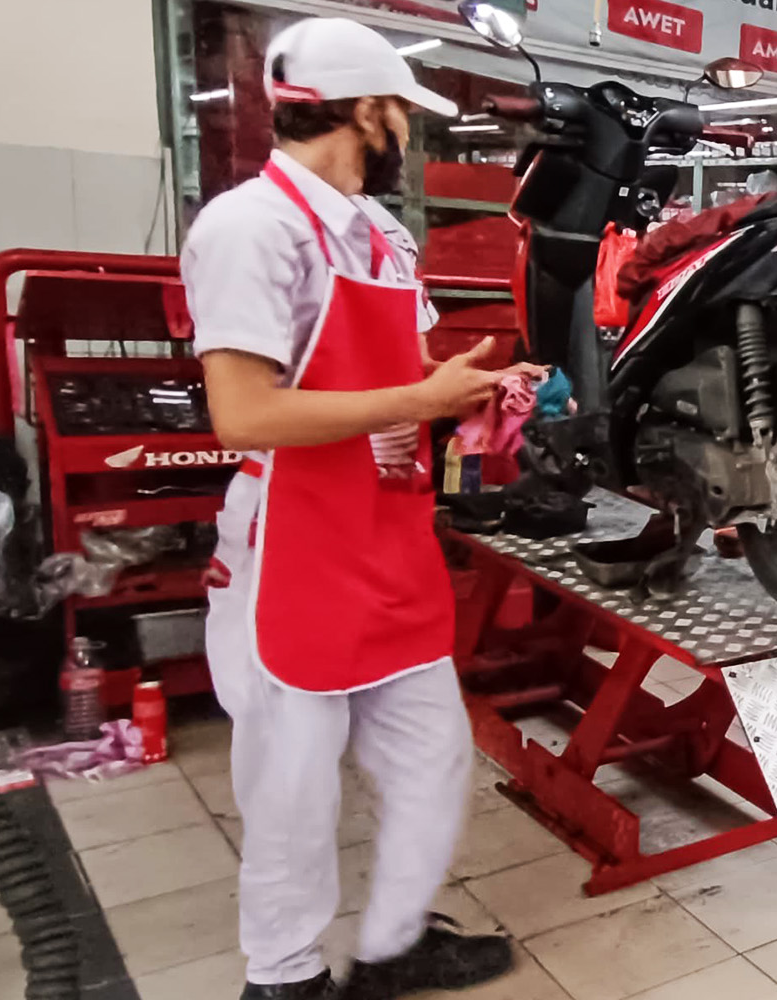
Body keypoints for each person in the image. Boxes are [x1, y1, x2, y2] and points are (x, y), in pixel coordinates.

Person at [181, 17, 516, 1000]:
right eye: (403, 112)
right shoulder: (250, 228)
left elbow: (402, 365)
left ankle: (393, 945)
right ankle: (282, 977)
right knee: (289, 787)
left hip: (385, 531)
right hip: (291, 541)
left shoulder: (381, 232)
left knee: (434, 756)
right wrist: (417, 398)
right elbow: (243, 412)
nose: (409, 130)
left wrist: (469, 390)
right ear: (369, 111)